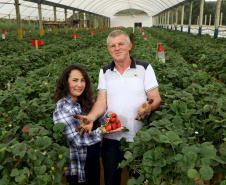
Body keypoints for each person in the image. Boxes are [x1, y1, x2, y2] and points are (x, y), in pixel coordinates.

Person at [75, 30, 161, 185]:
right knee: (111, 180)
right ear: (109, 50)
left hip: (139, 137)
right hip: (111, 138)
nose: (117, 48)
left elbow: (155, 97)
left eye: (121, 44)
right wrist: (91, 117)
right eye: (112, 46)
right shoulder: (104, 71)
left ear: (129, 45)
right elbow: (101, 101)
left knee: (139, 180)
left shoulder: (144, 68)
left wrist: (148, 106)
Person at [53, 64, 119, 185]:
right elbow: (77, 140)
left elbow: (99, 116)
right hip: (78, 168)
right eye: (75, 80)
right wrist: (102, 131)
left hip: (93, 161)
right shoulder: (63, 108)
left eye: (82, 80)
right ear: (65, 82)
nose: (80, 84)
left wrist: (108, 116)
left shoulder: (87, 101)